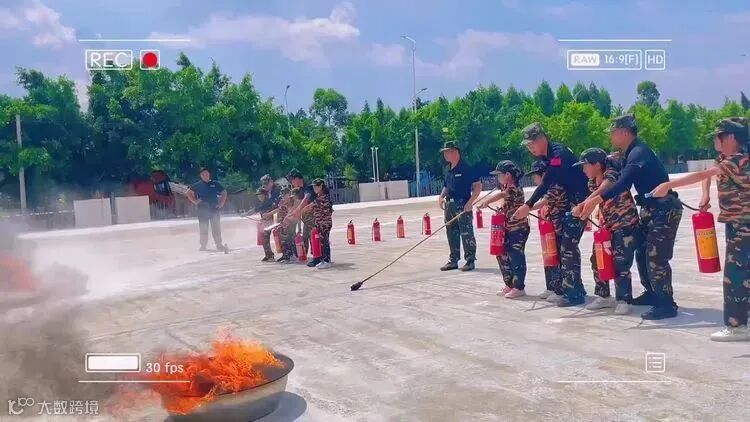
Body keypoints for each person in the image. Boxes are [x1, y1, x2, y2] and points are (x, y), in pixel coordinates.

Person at [651, 117, 750, 340]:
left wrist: (668, 185)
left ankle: (737, 327)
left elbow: (703, 174)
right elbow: (710, 174)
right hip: (737, 224)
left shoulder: (737, 160)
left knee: (735, 275)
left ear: (730, 137)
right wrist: (705, 195)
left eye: (718, 136)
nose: (715, 140)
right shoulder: (726, 159)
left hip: (743, 225)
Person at [578, 114, 683, 320]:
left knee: (656, 257)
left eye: (613, 132)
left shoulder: (638, 152)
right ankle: (652, 293)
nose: (611, 136)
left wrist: (596, 199)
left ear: (624, 133)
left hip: (664, 209)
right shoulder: (630, 153)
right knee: (642, 253)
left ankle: (666, 303)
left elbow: (623, 182)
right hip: (651, 209)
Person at [512, 123, 590, 307]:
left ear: (542, 139)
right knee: (565, 247)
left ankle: (573, 294)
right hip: (569, 205)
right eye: (528, 146)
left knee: (568, 248)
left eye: (532, 144)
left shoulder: (557, 154)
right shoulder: (547, 157)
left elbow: (547, 182)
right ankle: (575, 288)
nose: (530, 148)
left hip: (578, 203)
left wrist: (528, 205)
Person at [574, 148, 640, 315]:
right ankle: (603, 296)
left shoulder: (612, 174)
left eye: (585, 165)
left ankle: (623, 300)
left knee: (620, 262)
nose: (583, 169)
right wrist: (583, 212)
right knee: (597, 259)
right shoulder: (591, 182)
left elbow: (605, 188)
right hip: (606, 226)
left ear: (597, 165)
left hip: (624, 223)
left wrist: (584, 203)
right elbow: (595, 202)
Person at [476, 160, 529, 298]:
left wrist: (487, 201)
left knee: (515, 256)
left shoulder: (515, 188)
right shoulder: (506, 188)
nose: (498, 178)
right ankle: (509, 284)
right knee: (502, 255)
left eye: (499, 175)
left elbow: (503, 195)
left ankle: (519, 287)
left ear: (508, 175)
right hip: (506, 228)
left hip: (518, 228)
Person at [526, 160, 569, 303]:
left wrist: (525, 208)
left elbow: (542, 202)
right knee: (549, 256)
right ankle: (551, 287)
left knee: (559, 259)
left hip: (560, 228)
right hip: (549, 228)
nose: (534, 180)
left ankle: (560, 290)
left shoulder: (555, 186)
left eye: (535, 176)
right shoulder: (546, 188)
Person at [437, 141, 482, 272]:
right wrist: (441, 197)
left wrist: (470, 202)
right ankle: (453, 260)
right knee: (451, 232)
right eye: (445, 152)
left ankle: (470, 260)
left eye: (448, 152)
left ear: (456, 152)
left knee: (466, 233)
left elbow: (477, 186)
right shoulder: (447, 168)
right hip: (449, 205)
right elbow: (446, 186)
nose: (445, 155)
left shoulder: (466, 168)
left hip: (462, 204)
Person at [187, 168, 227, 252]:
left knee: (216, 227)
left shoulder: (215, 183)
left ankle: (219, 245)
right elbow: (188, 193)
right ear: (200, 176)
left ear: (209, 175)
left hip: (214, 209)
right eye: (203, 174)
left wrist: (221, 203)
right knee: (203, 228)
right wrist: (195, 201)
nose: (205, 176)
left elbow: (224, 192)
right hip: (202, 209)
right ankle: (203, 246)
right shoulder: (197, 185)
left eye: (207, 174)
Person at [303, 178, 334, 269]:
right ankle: (323, 260)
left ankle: (326, 261)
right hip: (322, 223)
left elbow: (309, 207)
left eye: (316, 186)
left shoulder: (322, 198)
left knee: (324, 242)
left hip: (323, 223)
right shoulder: (321, 197)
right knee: (322, 242)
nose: (315, 188)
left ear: (321, 187)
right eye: (314, 187)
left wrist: (300, 210)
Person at [286, 169, 316, 252]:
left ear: (297, 179)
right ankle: (304, 256)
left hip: (315, 217)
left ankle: (318, 256)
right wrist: (290, 215)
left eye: (292, 181)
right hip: (307, 218)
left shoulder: (308, 187)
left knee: (314, 238)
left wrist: (297, 210)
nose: (291, 183)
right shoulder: (301, 189)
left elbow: (306, 199)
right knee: (305, 237)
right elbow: (298, 202)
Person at [278, 188, 302, 263]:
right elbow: (279, 210)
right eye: (282, 195)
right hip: (285, 222)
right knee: (285, 239)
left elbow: (296, 208)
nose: (283, 197)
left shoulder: (294, 200)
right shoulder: (283, 201)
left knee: (291, 238)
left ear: (289, 193)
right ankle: (287, 256)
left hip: (292, 221)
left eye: (284, 195)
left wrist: (288, 217)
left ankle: (293, 256)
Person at [256, 188, 276, 262]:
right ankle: (268, 255)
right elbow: (257, 210)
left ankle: (270, 255)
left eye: (260, 195)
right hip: (265, 224)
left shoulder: (268, 202)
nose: (258, 196)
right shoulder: (262, 203)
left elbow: (276, 210)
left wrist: (245, 214)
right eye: (258, 195)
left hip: (269, 224)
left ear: (264, 195)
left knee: (265, 239)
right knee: (264, 239)